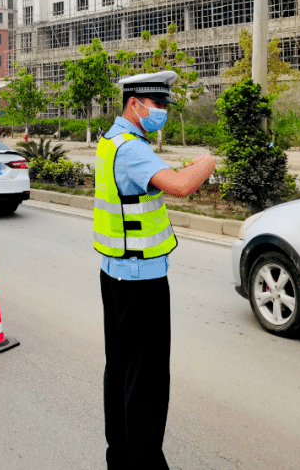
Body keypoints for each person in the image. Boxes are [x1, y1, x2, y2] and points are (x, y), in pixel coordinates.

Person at [93, 70, 216, 470]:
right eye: (157, 104)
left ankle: (122, 456)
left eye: (164, 105)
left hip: (114, 274)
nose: (161, 111)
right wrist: (207, 163)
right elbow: (178, 185)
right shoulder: (131, 148)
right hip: (141, 280)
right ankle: (143, 462)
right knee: (146, 380)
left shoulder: (111, 141)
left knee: (121, 367)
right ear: (135, 104)